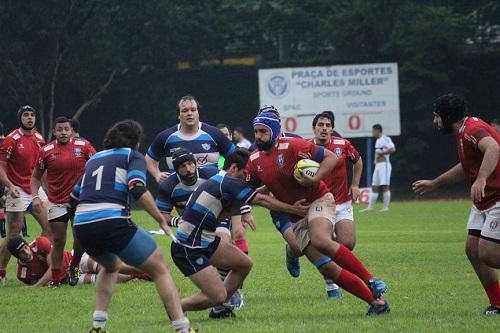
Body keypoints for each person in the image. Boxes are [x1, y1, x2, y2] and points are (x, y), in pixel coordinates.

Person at [247, 111, 390, 315]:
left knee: (321, 239)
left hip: (319, 199)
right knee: (327, 269)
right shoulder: (254, 160)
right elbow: (253, 192)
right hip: (295, 217)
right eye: (256, 132)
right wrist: (247, 206)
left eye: (263, 131)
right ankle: (377, 304)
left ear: (275, 131)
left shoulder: (294, 145)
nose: (258, 136)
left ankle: (371, 280)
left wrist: (316, 178)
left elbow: (330, 158)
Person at [72, 120, 194, 333]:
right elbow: (137, 188)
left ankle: (98, 327)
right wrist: (161, 220)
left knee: (111, 267)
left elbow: (73, 198)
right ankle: (183, 329)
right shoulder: (132, 156)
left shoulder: (94, 160)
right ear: (136, 141)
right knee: (160, 268)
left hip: (82, 225)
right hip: (113, 221)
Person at [170, 149, 309, 318]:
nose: (246, 179)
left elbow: (238, 203)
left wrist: (278, 183)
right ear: (234, 168)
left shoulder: (221, 182)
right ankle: (176, 307)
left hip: (205, 240)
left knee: (244, 264)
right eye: (244, 174)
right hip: (188, 247)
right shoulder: (226, 182)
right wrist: (293, 209)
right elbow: (260, 199)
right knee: (217, 295)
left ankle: (221, 308)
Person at [412, 93, 500, 315]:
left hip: (497, 196)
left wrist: (481, 179)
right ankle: (498, 303)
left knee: (488, 253)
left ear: (447, 116)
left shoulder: (472, 130)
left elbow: (493, 148)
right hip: (483, 201)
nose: (435, 122)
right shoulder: (463, 132)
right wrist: (435, 183)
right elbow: (466, 166)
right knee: (472, 250)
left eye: (436, 117)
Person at [156, 148, 246, 314]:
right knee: (215, 266)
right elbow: (162, 215)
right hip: (191, 229)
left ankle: (224, 298)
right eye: (182, 166)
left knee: (224, 241)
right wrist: (177, 220)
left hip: (217, 218)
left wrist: (245, 211)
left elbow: (234, 189)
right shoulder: (168, 185)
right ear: (175, 170)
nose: (189, 169)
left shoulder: (211, 173)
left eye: (191, 163)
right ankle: (218, 296)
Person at [31, 116, 96, 287]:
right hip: (57, 202)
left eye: (66, 129)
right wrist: (36, 196)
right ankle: (55, 279)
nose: (63, 132)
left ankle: (74, 268)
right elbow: (35, 177)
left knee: (80, 239)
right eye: (59, 129)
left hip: (79, 202)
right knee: (58, 241)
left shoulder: (84, 146)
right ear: (54, 132)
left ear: (72, 130)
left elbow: (97, 165)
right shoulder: (46, 150)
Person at [307, 110, 364, 297]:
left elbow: (358, 161)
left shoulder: (343, 144)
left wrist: (355, 185)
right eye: (320, 125)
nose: (324, 128)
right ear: (314, 128)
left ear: (332, 128)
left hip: (342, 203)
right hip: (318, 203)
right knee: (323, 243)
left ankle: (332, 276)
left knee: (347, 243)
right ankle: (331, 283)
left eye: (327, 125)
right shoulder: (305, 148)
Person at [0, 106, 50, 285]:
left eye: (32, 115)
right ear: (20, 118)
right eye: (26, 115)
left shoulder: (39, 139)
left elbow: (41, 168)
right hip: (16, 189)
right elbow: (1, 166)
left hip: (34, 189)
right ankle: (1, 272)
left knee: (50, 227)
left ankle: (35, 260)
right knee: (15, 231)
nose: (29, 118)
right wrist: (9, 185)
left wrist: (48, 187)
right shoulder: (11, 139)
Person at [145, 95, 236, 183]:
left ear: (198, 113)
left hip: (213, 196)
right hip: (179, 196)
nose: (189, 113)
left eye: (193, 110)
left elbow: (235, 156)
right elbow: (149, 158)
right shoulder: (166, 136)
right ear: (178, 115)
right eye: (185, 111)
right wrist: (157, 174)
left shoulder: (215, 134)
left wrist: (226, 176)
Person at [6, 235, 150, 286]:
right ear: (16, 257)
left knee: (103, 267)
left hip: (75, 260)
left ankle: (146, 269)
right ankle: (136, 275)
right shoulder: (22, 274)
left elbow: (53, 269)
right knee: (101, 279)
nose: (27, 252)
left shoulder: (40, 243)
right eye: (22, 252)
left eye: (25, 247)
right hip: (68, 279)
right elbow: (43, 283)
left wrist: (36, 286)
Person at [360, 123, 396, 212]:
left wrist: (382, 153)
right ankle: (370, 207)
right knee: (374, 186)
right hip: (378, 166)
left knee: (385, 185)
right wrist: (375, 159)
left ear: (377, 130)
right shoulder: (378, 140)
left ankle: (385, 207)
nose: (372, 133)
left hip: (385, 165)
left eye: (373, 131)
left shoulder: (385, 138)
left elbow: (393, 149)